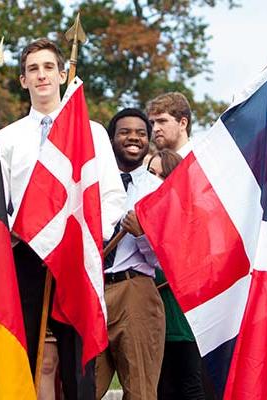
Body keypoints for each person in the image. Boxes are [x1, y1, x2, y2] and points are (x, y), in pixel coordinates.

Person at [0, 38, 125, 399]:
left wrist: (89, 235)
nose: (41, 76)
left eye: (48, 67)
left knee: (77, 360)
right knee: (26, 355)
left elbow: (112, 196)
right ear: (22, 80)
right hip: (26, 257)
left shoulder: (92, 131)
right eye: (33, 69)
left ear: (63, 74)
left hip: (76, 253)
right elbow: (1, 205)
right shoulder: (6, 139)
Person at [95, 108, 166, 399]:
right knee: (83, 387)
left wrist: (142, 233)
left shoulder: (159, 191)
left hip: (136, 292)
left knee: (140, 390)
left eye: (141, 133)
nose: (133, 138)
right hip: (93, 291)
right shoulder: (93, 184)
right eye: (125, 132)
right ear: (112, 139)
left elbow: (163, 260)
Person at [146, 148, 213, 399]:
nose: (154, 181)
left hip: (183, 319)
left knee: (189, 384)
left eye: (161, 176)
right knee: (161, 388)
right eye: (150, 173)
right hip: (151, 318)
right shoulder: (135, 213)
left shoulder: (194, 217)